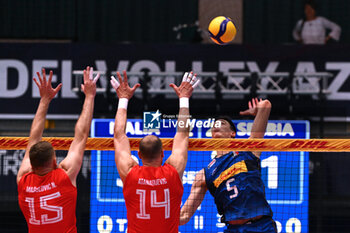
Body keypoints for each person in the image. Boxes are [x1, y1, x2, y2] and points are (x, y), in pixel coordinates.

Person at [110, 71, 199, 233]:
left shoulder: (130, 172)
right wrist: (184, 98)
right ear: (163, 154)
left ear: (139, 155)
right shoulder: (173, 171)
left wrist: (123, 100)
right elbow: (183, 133)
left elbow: (118, 134)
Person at [17, 67, 100, 233]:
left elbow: (33, 138)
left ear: (31, 166)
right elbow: (81, 135)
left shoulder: (23, 180)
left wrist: (44, 100)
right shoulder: (65, 177)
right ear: (55, 161)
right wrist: (89, 96)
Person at [180, 98, 277, 233]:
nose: (217, 124)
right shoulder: (204, 174)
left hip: (261, 226)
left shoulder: (248, 151)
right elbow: (183, 216)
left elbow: (266, 105)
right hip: (233, 229)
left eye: (223, 123)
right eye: (215, 124)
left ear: (233, 133)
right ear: (212, 135)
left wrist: (257, 110)